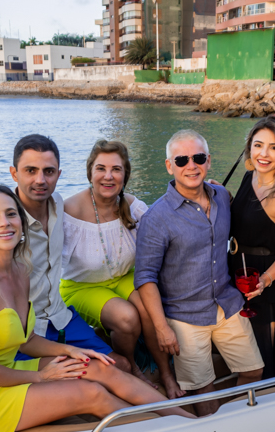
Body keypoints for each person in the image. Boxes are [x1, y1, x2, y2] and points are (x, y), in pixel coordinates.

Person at [0, 184, 192, 432]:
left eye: (11, 214)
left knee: (100, 367)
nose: (4, 223)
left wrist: (70, 351)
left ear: (21, 221)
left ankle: (187, 420)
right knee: (91, 393)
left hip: (10, 368)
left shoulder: (20, 271)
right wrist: (42, 377)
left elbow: (27, 341)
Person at [135, 129, 265, 416]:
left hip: (227, 303)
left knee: (254, 372)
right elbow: (145, 277)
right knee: (203, 390)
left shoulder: (222, 196)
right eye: (181, 160)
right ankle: (216, 430)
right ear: (169, 166)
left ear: (209, 161)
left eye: (198, 158)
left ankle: (235, 421)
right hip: (184, 315)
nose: (191, 165)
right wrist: (162, 328)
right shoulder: (156, 218)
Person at [61, 140, 184, 399]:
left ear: (125, 175)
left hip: (125, 277)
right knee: (127, 317)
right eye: (101, 168)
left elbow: (168, 227)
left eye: (116, 169)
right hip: (81, 286)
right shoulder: (68, 211)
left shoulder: (133, 206)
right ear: (90, 173)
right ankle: (133, 370)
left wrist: (208, 193)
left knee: (150, 307)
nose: (108, 176)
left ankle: (166, 373)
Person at [8, 134, 130, 373]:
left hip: (60, 317)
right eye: (30, 171)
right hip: (26, 334)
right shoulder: (6, 224)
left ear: (59, 174)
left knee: (121, 365)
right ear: (14, 173)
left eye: (49, 172)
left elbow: (102, 203)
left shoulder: (58, 205)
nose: (40, 180)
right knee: (94, 376)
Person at [229, 116, 275, 378]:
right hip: (237, 274)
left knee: (265, 359)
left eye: (273, 147)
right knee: (243, 355)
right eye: (258, 145)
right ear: (250, 146)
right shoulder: (248, 178)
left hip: (265, 281)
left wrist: (265, 280)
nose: (264, 154)